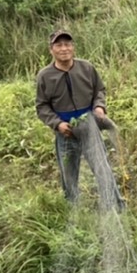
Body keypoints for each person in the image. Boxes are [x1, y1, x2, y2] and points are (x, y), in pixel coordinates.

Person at [34, 29, 122, 209]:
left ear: (73, 47)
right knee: (68, 174)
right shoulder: (45, 75)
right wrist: (58, 124)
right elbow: (42, 106)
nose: (64, 48)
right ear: (51, 50)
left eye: (67, 44)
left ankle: (115, 205)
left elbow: (99, 90)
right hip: (66, 131)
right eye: (59, 45)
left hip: (90, 127)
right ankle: (72, 208)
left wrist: (99, 106)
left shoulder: (86, 68)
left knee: (102, 168)